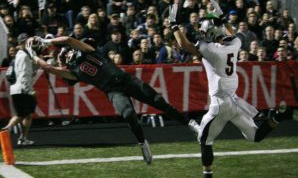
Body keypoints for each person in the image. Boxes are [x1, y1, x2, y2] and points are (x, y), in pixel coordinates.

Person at [25, 35, 200, 164]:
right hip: (113, 91)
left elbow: (69, 40)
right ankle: (142, 142)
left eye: (68, 52)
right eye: (64, 56)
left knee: (160, 102)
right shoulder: (72, 73)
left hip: (126, 80)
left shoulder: (88, 51)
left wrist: (47, 42)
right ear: (64, 63)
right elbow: (48, 67)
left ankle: (190, 123)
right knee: (128, 114)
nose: (68, 54)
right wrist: (33, 55)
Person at [170, 0, 297, 178]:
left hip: (220, 104)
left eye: (204, 32)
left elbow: (184, 45)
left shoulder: (209, 50)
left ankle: (208, 176)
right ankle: (279, 116)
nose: (201, 34)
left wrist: (173, 25)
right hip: (234, 102)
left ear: (211, 34)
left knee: (204, 141)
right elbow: (232, 33)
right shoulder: (235, 44)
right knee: (256, 136)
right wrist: (222, 18)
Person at [1, 33, 37, 146]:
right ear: (21, 43)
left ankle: (8, 129)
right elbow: (23, 75)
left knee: (20, 114)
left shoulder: (19, 56)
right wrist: (29, 90)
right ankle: (21, 137)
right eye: (26, 41)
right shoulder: (24, 56)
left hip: (16, 89)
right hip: (22, 89)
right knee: (28, 115)